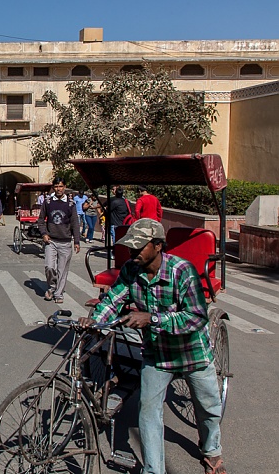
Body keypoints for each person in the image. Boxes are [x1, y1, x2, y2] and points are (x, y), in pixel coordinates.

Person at [79, 219, 226, 474]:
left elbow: (196, 317)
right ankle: (153, 470)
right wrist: (94, 321)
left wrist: (153, 318)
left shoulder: (182, 271)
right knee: (147, 412)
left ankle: (211, 450)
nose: (133, 253)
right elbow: (113, 301)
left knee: (208, 407)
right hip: (156, 354)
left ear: (158, 246)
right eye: (131, 248)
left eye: (139, 248)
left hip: (191, 351)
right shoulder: (130, 270)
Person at [36, 177, 80, 304]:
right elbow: (41, 220)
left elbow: (75, 223)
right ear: (53, 188)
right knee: (49, 267)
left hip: (65, 242)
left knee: (62, 270)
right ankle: (52, 286)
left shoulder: (70, 204)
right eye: (56, 187)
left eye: (60, 186)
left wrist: (76, 241)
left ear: (64, 187)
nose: (58, 189)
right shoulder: (48, 202)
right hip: (51, 241)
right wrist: (44, 233)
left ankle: (58, 293)